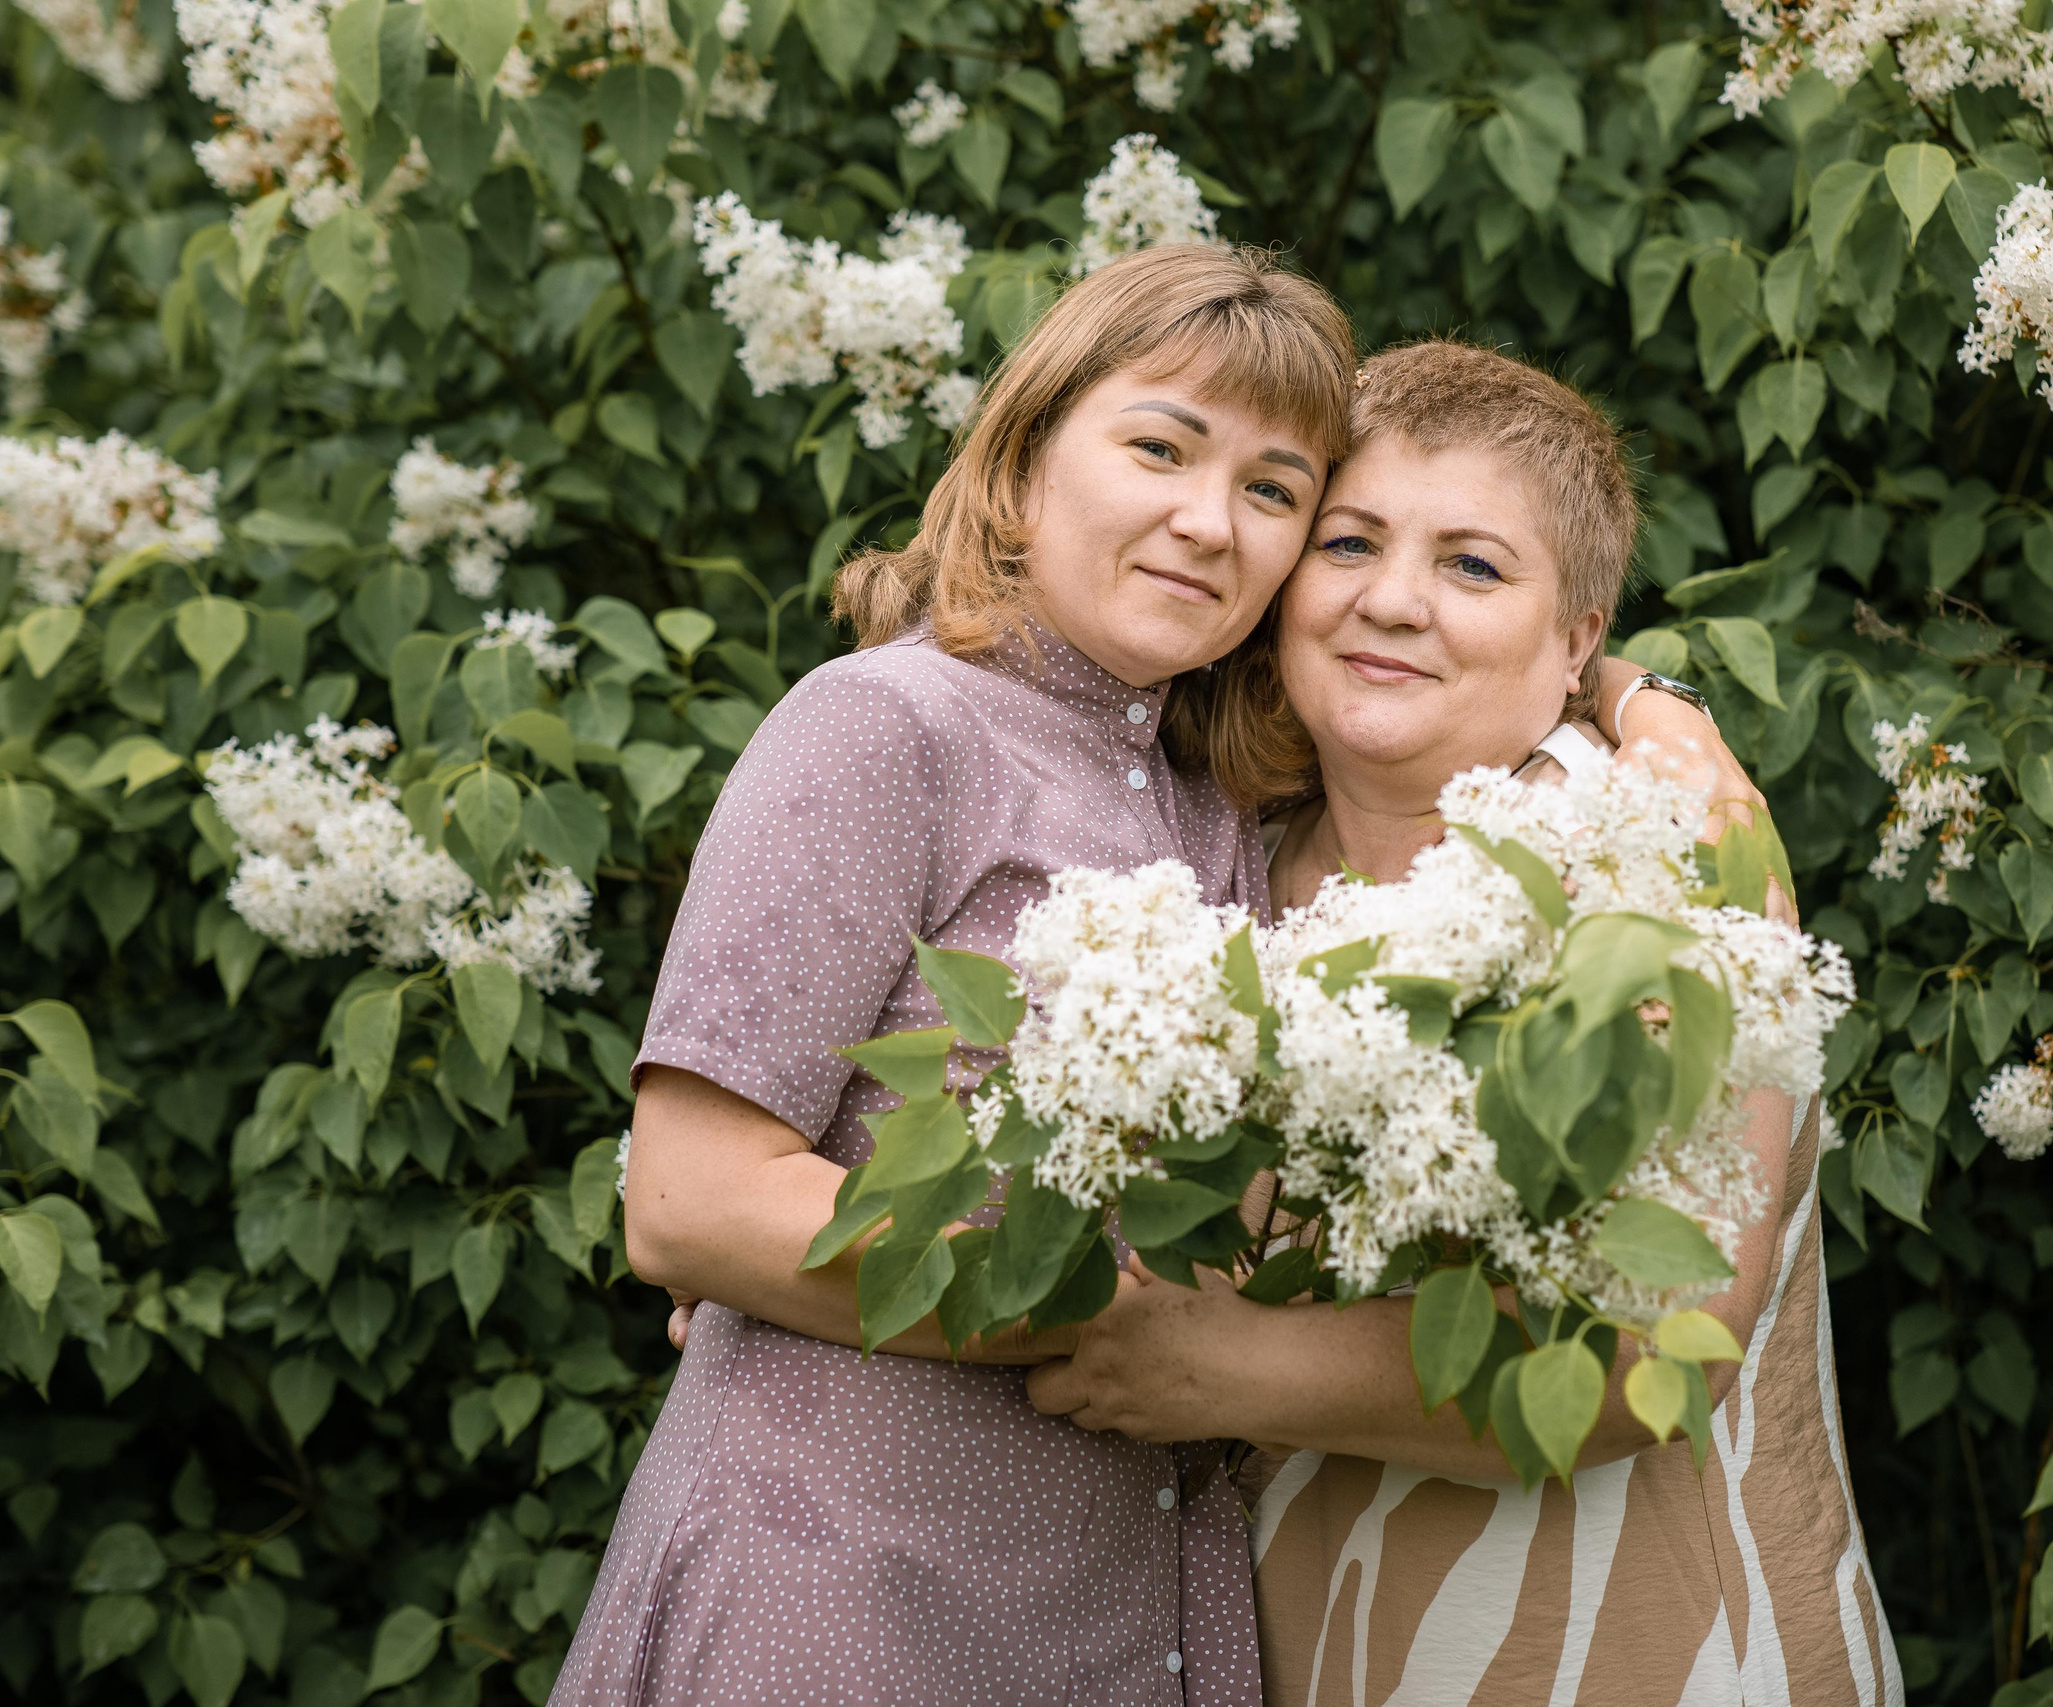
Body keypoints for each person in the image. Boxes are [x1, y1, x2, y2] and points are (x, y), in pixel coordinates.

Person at [561, 254, 1728, 1705]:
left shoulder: (1225, 807)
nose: (1204, 520)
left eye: (1272, 491)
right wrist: (1097, 1312)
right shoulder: (887, 726)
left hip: (1118, 1626)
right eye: (1160, 447)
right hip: (850, 1602)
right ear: (1028, 453)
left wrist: (1649, 702)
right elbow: (691, 1200)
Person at [1021, 342, 1902, 1707]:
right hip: (1319, 1651)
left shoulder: (1659, 853)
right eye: (1350, 542)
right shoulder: (1223, 858)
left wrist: (1232, 1369)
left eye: (1474, 567)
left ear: (1580, 639)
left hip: (1635, 1657)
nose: (1392, 601)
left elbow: (1664, 1336)